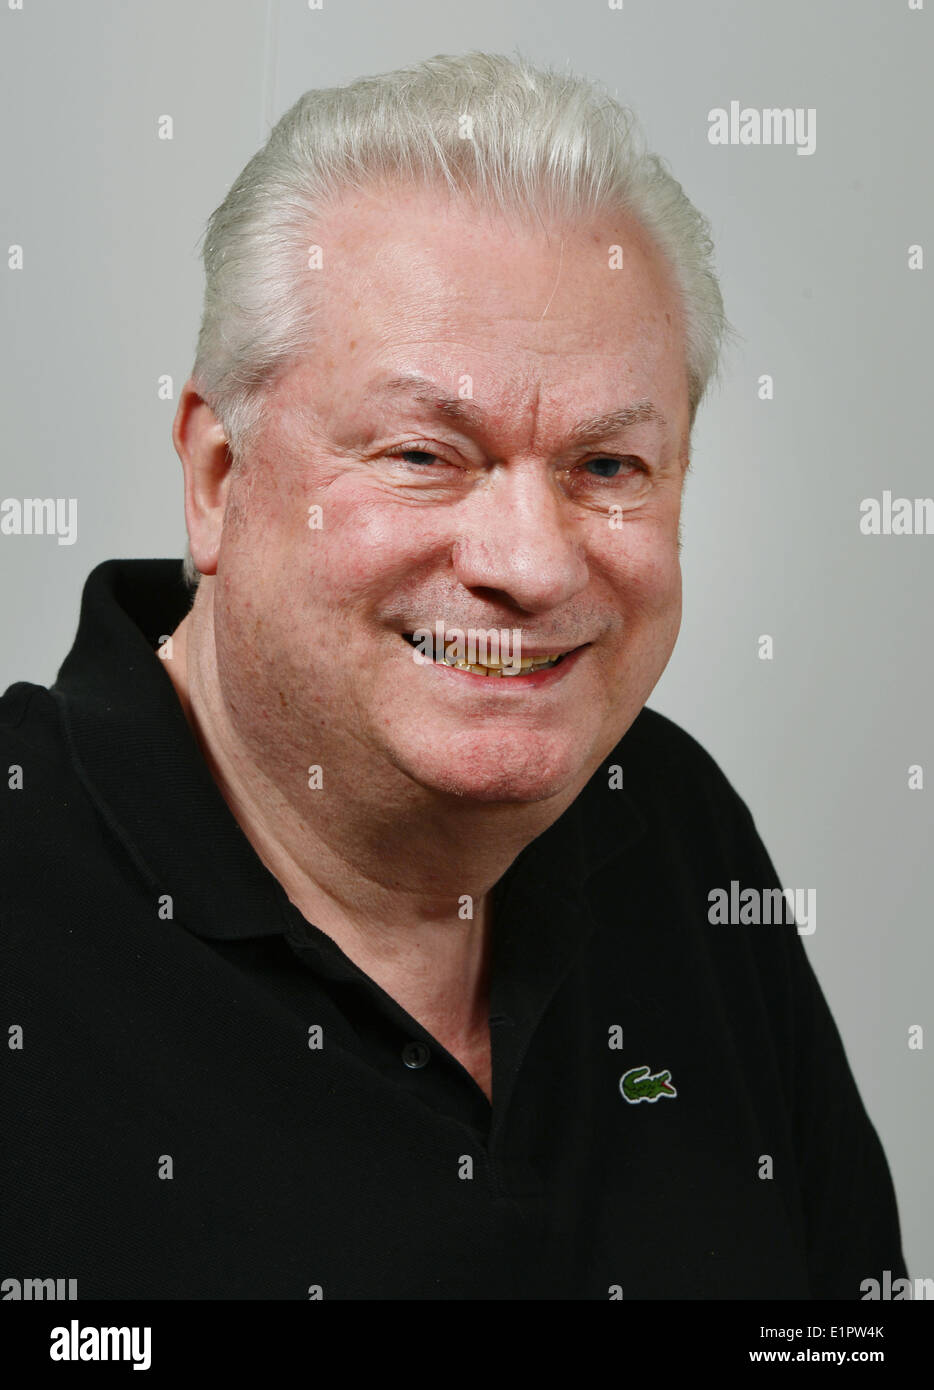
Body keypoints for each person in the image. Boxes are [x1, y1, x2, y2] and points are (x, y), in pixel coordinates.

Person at [0, 51, 906, 1299]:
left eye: (606, 467)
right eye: (425, 453)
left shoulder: (670, 819)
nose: (531, 566)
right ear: (217, 476)